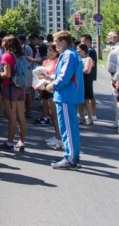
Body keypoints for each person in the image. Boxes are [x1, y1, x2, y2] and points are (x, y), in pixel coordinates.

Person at [46, 31, 84, 170]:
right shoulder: (72, 54)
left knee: (67, 129)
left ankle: (71, 158)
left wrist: (53, 85)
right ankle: (73, 156)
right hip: (69, 95)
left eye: (56, 41)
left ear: (63, 42)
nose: (54, 44)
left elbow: (65, 76)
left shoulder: (68, 54)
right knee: (71, 128)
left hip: (66, 96)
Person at [0, 35, 28, 152]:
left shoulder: (7, 56)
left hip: (10, 88)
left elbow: (7, 74)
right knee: (21, 116)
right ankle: (22, 142)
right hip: (21, 87)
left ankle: (9, 142)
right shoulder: (20, 56)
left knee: (12, 117)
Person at [36, 43, 63, 149]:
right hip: (44, 87)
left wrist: (48, 77)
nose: (50, 52)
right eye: (49, 50)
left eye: (52, 50)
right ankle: (56, 135)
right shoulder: (45, 61)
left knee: (54, 114)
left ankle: (59, 137)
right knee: (50, 113)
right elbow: (40, 74)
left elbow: (58, 76)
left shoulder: (58, 61)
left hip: (52, 88)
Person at [80, 34, 98, 123]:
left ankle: (92, 114)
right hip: (88, 76)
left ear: (88, 41)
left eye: (83, 41)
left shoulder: (90, 51)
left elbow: (92, 63)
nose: (81, 43)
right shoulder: (89, 51)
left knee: (89, 96)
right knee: (88, 96)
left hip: (88, 76)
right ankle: (88, 114)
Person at [106, 31, 119, 133]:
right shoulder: (115, 48)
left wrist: (115, 78)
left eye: (111, 35)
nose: (108, 37)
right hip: (114, 76)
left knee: (117, 100)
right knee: (116, 101)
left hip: (116, 77)